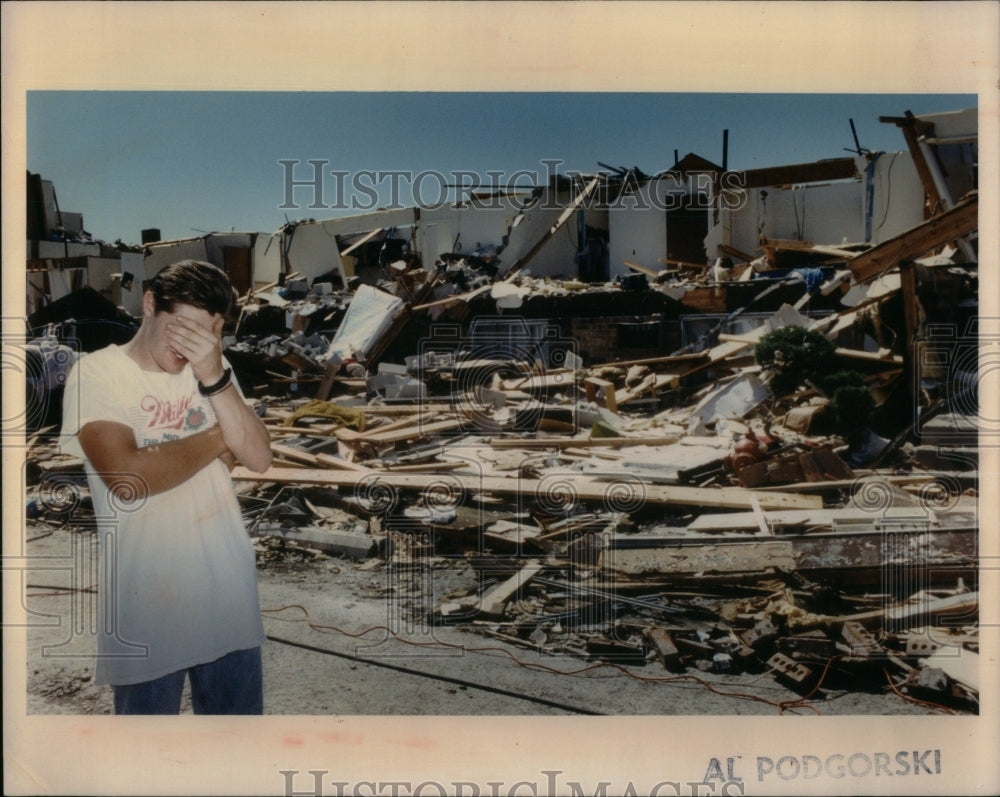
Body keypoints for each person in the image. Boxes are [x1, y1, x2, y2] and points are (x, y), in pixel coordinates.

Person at [60, 259, 273, 714]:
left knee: (239, 762)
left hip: (228, 596)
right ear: (150, 304)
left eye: (209, 333)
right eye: (184, 328)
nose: (193, 347)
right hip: (149, 606)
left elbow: (257, 456)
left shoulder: (212, 370)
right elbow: (130, 478)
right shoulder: (97, 374)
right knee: (145, 764)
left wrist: (216, 378)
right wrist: (219, 436)